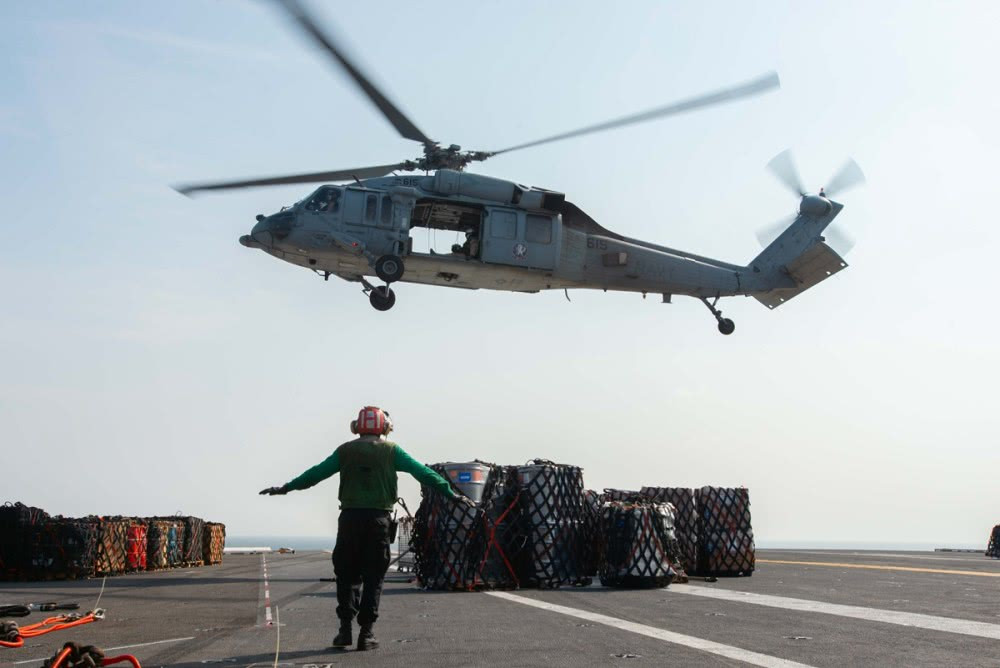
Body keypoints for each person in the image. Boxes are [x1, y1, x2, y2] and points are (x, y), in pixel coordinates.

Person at [259, 406, 470, 651]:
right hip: (378, 521)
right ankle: (366, 634)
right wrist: (451, 493)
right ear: (385, 427)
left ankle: (344, 630)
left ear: (356, 427)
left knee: (346, 576)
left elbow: (314, 475)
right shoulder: (392, 451)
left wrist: (285, 487)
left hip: (349, 520)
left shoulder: (345, 451)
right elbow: (422, 472)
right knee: (374, 577)